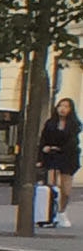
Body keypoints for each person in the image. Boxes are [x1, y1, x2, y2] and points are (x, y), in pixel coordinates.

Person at [36, 95, 79, 230]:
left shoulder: (75, 125)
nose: (63, 109)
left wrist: (59, 148)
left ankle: (62, 212)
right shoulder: (50, 123)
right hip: (52, 157)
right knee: (52, 187)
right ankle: (49, 214)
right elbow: (43, 140)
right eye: (61, 106)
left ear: (71, 110)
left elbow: (72, 142)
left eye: (66, 107)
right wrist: (43, 151)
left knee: (65, 191)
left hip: (68, 158)